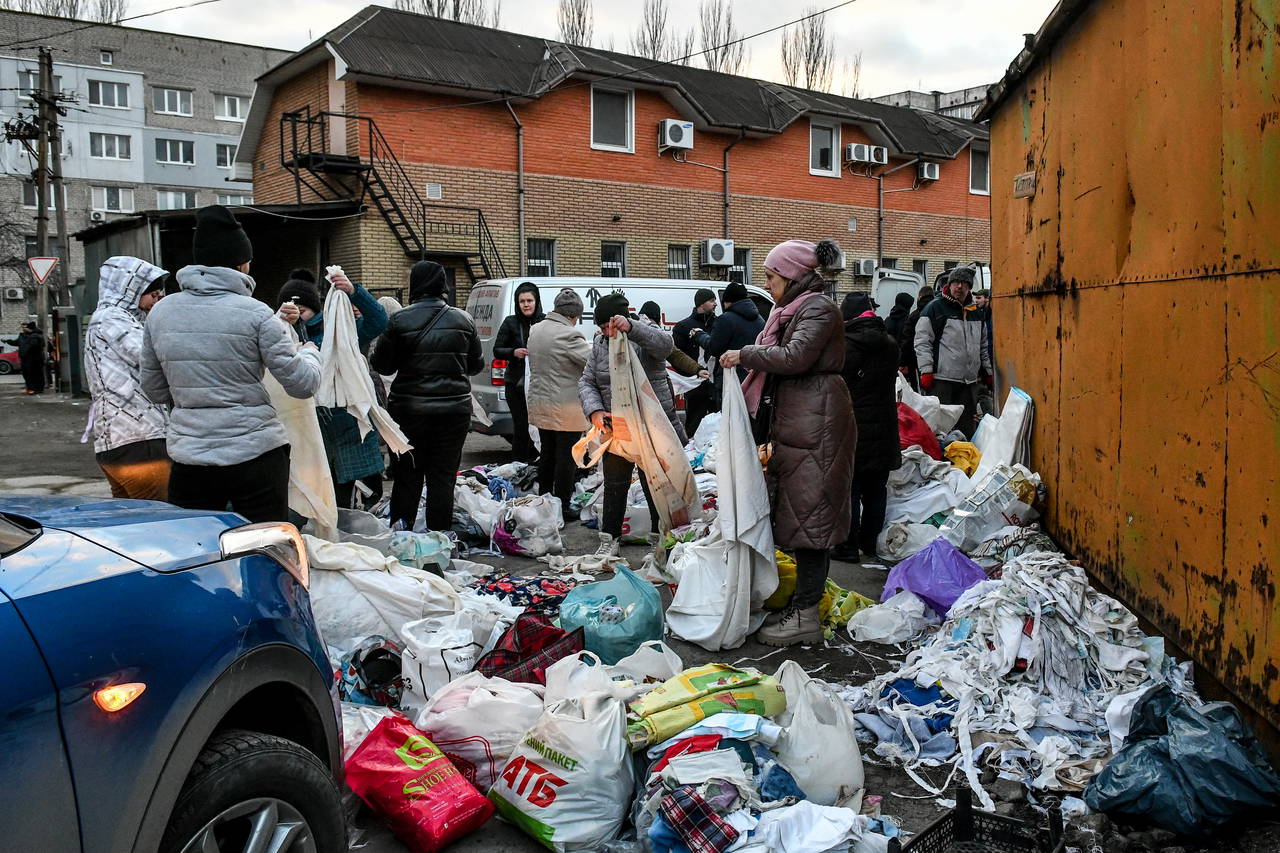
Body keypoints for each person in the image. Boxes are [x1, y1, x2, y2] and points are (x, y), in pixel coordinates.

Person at [140, 204, 322, 523]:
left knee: (197, 554)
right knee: (265, 550)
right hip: (257, 454)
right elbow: (302, 384)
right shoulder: (257, 314)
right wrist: (310, 353)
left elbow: (154, 390)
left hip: (190, 457)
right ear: (242, 263)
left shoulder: (161, 313)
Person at [720, 239, 855, 647]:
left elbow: (795, 357)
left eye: (771, 277)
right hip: (803, 425)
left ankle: (806, 616)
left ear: (792, 275)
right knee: (800, 517)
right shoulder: (791, 311)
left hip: (818, 427)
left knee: (811, 521)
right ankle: (802, 605)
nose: (768, 284)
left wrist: (745, 354)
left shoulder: (817, 308)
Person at [370, 260, 483, 532]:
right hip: (454, 414)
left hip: (409, 413)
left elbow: (384, 366)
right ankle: (439, 540)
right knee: (442, 479)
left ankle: (403, 537)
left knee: (407, 478)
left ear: (415, 286)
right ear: (442, 286)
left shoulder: (398, 320)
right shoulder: (463, 319)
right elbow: (476, 365)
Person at [579, 291, 683, 558]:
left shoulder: (643, 333)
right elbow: (587, 380)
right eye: (601, 327)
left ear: (621, 318)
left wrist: (632, 328)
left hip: (651, 425)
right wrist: (595, 410)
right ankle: (609, 539)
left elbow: (665, 346)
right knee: (615, 482)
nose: (606, 331)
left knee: (654, 481)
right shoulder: (601, 344)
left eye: (609, 325)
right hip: (618, 425)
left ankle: (660, 539)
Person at [277, 268, 389, 509]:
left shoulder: (339, 329)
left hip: (347, 429)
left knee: (343, 499)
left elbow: (379, 320)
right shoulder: (279, 335)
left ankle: (344, 540)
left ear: (315, 309)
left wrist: (353, 291)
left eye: (304, 310)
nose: (299, 315)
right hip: (306, 433)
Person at [83, 256, 172, 500]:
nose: (157, 301)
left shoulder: (110, 319)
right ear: (130, 290)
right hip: (139, 440)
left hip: (118, 441)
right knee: (159, 522)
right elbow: (151, 357)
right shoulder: (113, 318)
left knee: (130, 526)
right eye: (153, 295)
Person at [832, 291, 902, 563]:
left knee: (851, 488)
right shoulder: (890, 344)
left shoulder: (845, 346)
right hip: (885, 426)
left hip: (854, 426)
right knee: (877, 489)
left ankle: (847, 548)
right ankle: (870, 544)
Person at [526, 288, 591, 518]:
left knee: (547, 453)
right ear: (574, 315)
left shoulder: (536, 329)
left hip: (541, 403)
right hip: (565, 408)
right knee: (567, 457)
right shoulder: (569, 335)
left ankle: (543, 497)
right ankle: (562, 504)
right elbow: (589, 362)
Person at [913, 267, 991, 438]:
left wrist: (987, 371)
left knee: (965, 427)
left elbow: (982, 345)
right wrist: (926, 370)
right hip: (942, 380)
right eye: (956, 282)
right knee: (942, 427)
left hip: (969, 381)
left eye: (964, 283)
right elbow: (922, 342)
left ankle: (964, 459)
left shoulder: (976, 312)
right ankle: (942, 461)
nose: (959, 287)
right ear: (950, 284)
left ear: (969, 287)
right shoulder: (935, 308)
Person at [492, 282, 544, 463]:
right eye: (522, 301)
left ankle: (540, 466)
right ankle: (519, 465)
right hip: (516, 385)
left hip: (540, 386)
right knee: (521, 428)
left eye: (530, 300)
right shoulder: (510, 322)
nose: (526, 304)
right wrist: (513, 352)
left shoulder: (544, 322)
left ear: (536, 301)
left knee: (540, 428)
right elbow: (497, 350)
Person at [691, 280, 764, 383]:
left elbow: (714, 348)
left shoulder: (725, 319)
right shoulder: (759, 319)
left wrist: (699, 335)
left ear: (728, 301)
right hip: (754, 377)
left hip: (731, 378)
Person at [671, 288, 718, 436]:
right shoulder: (683, 327)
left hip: (716, 384)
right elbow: (677, 357)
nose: (715, 304)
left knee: (716, 423)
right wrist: (690, 377)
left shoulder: (718, 324)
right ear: (701, 304)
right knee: (694, 424)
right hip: (695, 385)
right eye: (711, 301)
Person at [899, 286, 935, 390]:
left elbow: (907, 340)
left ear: (919, 297)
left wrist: (902, 362)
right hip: (937, 360)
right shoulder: (937, 311)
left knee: (919, 390)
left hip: (915, 359)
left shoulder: (914, 315)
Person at [972, 288, 995, 416]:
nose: (976, 300)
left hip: (989, 357)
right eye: (976, 298)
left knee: (983, 392)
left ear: (987, 299)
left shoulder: (989, 314)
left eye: (979, 298)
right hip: (984, 359)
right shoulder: (981, 313)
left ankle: (989, 416)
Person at [6, 321, 46, 394]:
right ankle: (30, 388)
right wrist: (8, 341)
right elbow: (18, 342)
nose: (22, 328)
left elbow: (34, 346)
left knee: (35, 374)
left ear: (29, 328)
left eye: (24, 327)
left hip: (34, 359)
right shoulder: (23, 336)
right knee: (27, 374)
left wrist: (26, 350)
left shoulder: (36, 336)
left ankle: (37, 389)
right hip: (25, 358)